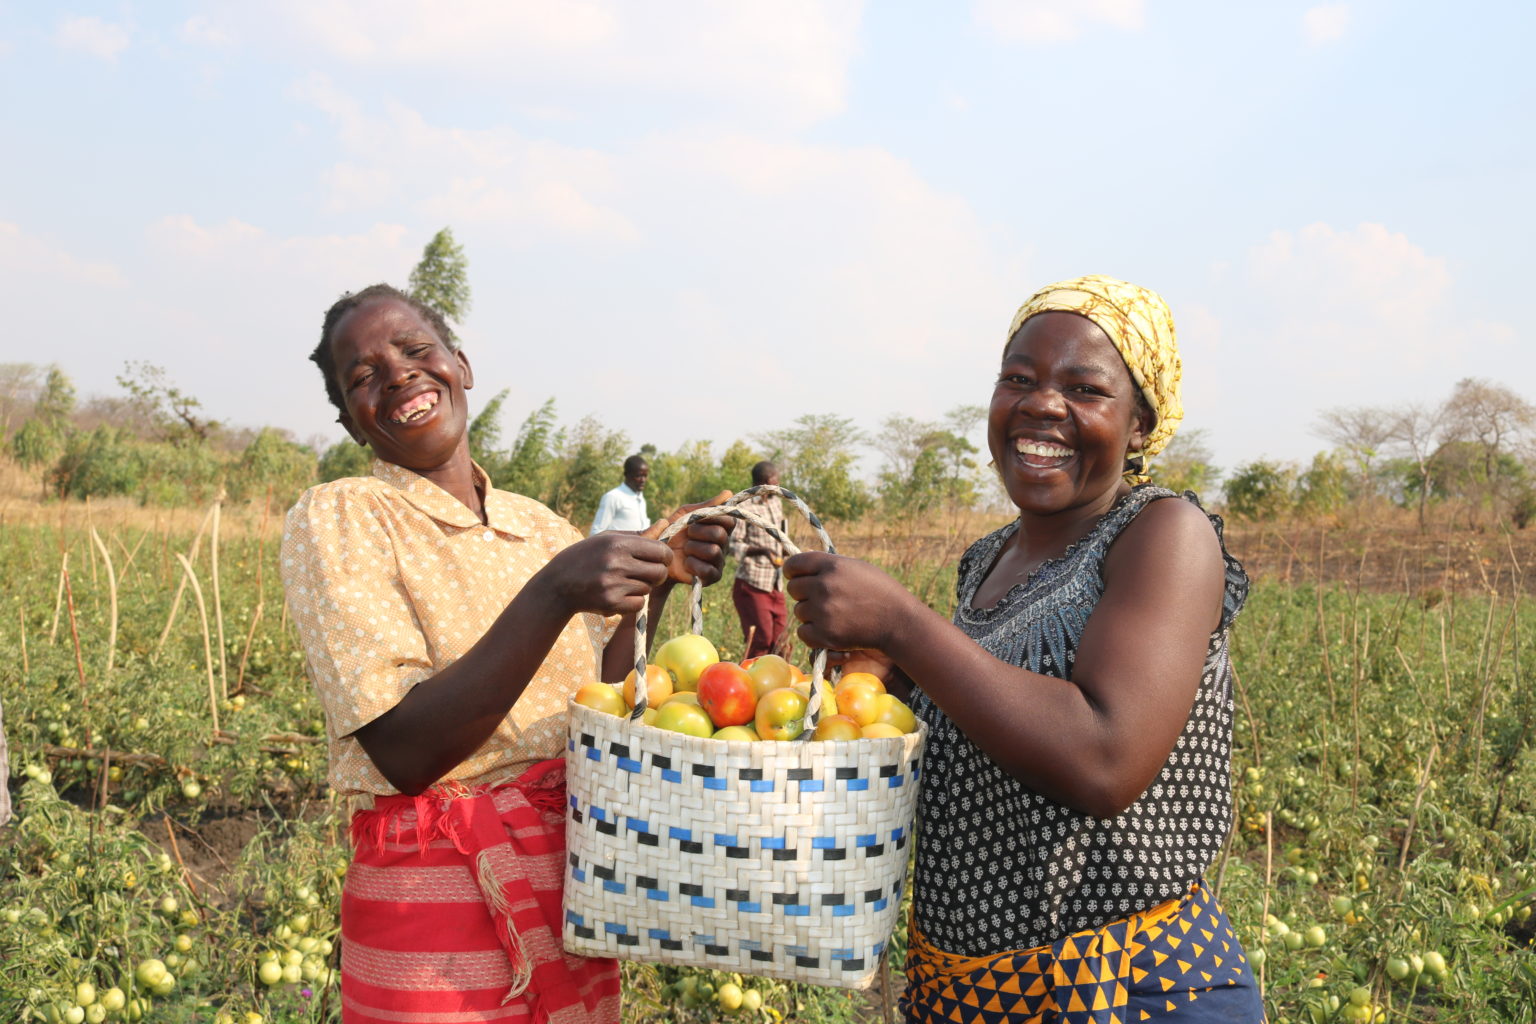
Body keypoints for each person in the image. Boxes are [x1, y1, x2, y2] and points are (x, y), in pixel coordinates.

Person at [783, 275, 1262, 1023]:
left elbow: (1104, 759)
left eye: (1086, 388)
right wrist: (881, 677)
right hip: (969, 996)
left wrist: (902, 626)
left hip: (1127, 995)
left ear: (1140, 424)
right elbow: (987, 713)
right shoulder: (988, 559)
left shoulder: (1163, 535)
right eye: (1019, 378)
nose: (1041, 403)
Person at [280, 283, 731, 1024]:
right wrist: (553, 592)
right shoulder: (344, 515)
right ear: (352, 420)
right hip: (440, 913)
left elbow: (597, 698)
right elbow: (405, 748)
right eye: (362, 376)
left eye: (417, 351)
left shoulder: (539, 525)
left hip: (572, 890)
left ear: (460, 364)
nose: (397, 375)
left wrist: (660, 583)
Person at [729, 460, 789, 658]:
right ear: (764, 483)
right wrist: (763, 551)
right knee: (761, 641)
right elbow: (734, 545)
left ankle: (781, 686)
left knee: (782, 644)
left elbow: (779, 535)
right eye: (775, 481)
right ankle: (752, 684)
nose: (779, 485)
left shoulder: (776, 502)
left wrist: (785, 548)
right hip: (752, 584)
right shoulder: (744, 507)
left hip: (775, 583)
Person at [589, 455, 650, 534]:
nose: (643, 480)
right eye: (638, 476)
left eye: (645, 476)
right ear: (626, 475)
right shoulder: (612, 497)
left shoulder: (641, 499)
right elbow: (596, 532)